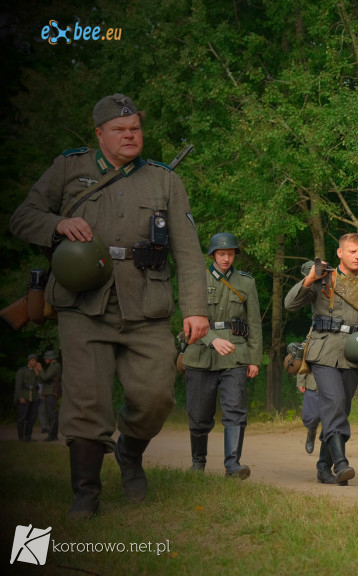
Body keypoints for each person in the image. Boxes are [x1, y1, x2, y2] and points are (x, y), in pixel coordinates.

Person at [9, 93, 209, 520]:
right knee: (86, 401)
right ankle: (85, 493)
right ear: (98, 134)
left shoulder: (163, 180)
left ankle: (130, 452)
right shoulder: (70, 167)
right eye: (119, 130)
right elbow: (22, 216)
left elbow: (188, 250)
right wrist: (57, 224)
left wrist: (196, 308)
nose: (129, 135)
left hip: (147, 303)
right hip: (84, 303)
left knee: (156, 397)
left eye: (135, 128)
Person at [285, 234, 358, 486]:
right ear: (339, 253)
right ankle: (341, 463)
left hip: (353, 353)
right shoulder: (323, 279)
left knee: (340, 409)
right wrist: (309, 279)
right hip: (323, 351)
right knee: (334, 402)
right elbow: (290, 304)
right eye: (352, 251)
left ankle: (324, 466)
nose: (357, 256)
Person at [182, 233, 262, 479]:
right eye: (221, 253)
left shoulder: (246, 283)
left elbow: (254, 323)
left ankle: (233, 466)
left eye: (230, 253)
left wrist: (254, 358)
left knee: (235, 410)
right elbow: (184, 321)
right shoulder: (197, 281)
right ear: (213, 255)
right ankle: (198, 463)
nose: (226, 258)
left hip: (235, 355)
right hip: (200, 354)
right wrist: (211, 340)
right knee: (198, 414)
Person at [14, 354, 42, 441]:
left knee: (32, 417)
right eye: (32, 360)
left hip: (34, 397)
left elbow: (41, 382)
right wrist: (20, 397)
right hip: (25, 395)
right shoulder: (22, 371)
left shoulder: (35, 371)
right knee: (22, 418)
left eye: (35, 360)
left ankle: (28, 436)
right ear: (28, 361)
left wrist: (37, 372)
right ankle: (21, 437)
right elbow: (18, 385)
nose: (34, 362)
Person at [38, 349, 62, 442]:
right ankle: (52, 434)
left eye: (46, 358)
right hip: (49, 392)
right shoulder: (52, 366)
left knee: (52, 414)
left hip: (52, 392)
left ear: (50, 358)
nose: (45, 359)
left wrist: (40, 369)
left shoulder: (55, 366)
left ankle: (52, 434)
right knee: (51, 414)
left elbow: (45, 377)